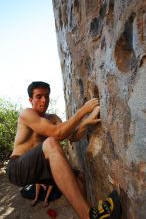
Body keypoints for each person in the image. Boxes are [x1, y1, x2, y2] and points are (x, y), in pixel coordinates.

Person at [7, 81, 120, 219]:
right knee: (51, 142)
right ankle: (90, 216)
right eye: (39, 96)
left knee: (79, 177)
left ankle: (84, 213)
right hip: (17, 168)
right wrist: (83, 110)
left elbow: (72, 136)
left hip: (39, 168)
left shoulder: (53, 118)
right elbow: (58, 133)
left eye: (47, 96)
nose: (44, 100)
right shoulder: (27, 114)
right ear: (30, 100)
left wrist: (86, 122)